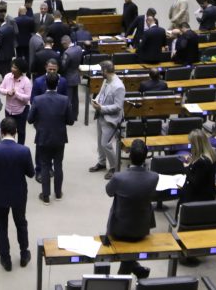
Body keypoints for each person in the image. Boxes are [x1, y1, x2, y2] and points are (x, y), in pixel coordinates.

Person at [0, 117, 35, 271]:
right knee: (21, 223)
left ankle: (5, 259)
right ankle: (24, 253)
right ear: (15, 132)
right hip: (19, 194)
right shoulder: (24, 151)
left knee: (1, 226)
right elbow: (31, 173)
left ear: (1, 132)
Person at [103, 139, 156, 279]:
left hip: (119, 230)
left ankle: (123, 279)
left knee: (124, 265)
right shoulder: (154, 177)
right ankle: (137, 269)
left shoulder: (119, 177)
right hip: (142, 229)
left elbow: (109, 192)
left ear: (129, 155)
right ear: (146, 156)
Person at [29, 72, 72, 204]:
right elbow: (70, 121)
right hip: (59, 137)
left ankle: (46, 195)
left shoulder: (38, 100)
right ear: (58, 84)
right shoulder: (65, 100)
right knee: (58, 165)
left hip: (43, 137)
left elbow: (30, 119)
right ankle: (58, 193)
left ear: (45, 83)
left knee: (45, 165)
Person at [89, 61, 125, 179]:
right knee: (100, 142)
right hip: (101, 115)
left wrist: (102, 108)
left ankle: (114, 167)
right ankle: (102, 163)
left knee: (106, 144)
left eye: (101, 70)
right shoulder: (106, 80)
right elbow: (101, 94)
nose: (100, 72)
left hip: (110, 118)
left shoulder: (118, 86)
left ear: (105, 71)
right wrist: (96, 101)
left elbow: (118, 106)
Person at [179, 129, 216, 205]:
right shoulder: (212, 153)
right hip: (208, 191)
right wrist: (192, 161)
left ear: (196, 145)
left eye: (191, 144)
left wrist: (187, 167)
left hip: (197, 197)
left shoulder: (201, 162)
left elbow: (194, 181)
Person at [0, 58, 32, 145]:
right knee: (8, 131)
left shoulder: (26, 81)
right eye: (12, 67)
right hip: (8, 110)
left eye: (15, 67)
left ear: (20, 70)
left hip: (21, 111)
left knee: (21, 131)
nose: (12, 69)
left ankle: (20, 148)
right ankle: (9, 147)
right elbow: (1, 89)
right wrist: (7, 92)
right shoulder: (7, 77)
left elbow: (28, 97)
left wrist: (16, 94)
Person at [60, 35, 83, 123]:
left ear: (65, 42)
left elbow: (63, 67)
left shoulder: (67, 53)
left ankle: (68, 117)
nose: (63, 46)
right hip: (76, 76)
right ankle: (74, 115)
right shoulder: (79, 48)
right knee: (75, 99)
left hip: (68, 78)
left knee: (68, 99)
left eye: (63, 44)